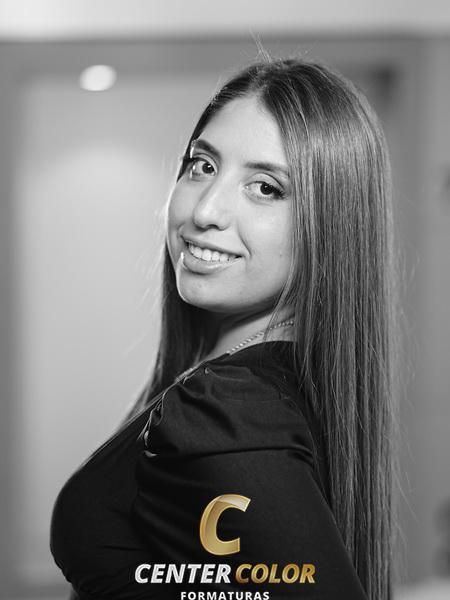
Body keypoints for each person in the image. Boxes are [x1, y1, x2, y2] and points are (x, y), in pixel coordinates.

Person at [50, 56, 397, 600]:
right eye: (203, 165)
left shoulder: (227, 409)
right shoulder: (273, 389)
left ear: (331, 226)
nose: (206, 210)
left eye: (266, 188)